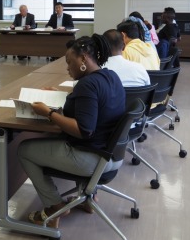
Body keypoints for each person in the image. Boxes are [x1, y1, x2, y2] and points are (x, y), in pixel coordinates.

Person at [17, 34, 126, 229]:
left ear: (83, 58)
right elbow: (92, 107)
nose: (67, 67)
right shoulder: (110, 76)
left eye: (69, 62)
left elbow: (83, 131)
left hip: (92, 160)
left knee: (24, 150)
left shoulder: (87, 85)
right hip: (113, 157)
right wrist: (64, 97)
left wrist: (48, 113)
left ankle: (54, 207)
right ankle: (87, 198)